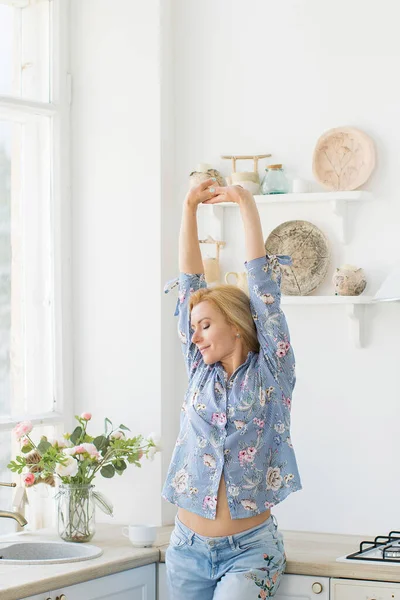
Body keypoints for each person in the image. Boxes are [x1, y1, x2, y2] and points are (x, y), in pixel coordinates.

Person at [162, 179, 302, 599]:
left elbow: (262, 287)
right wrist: (188, 208)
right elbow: (189, 281)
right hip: (186, 549)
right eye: (193, 328)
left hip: (249, 552)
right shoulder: (197, 371)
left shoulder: (271, 373)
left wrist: (246, 206)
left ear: (237, 326)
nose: (197, 336)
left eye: (206, 325)